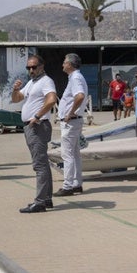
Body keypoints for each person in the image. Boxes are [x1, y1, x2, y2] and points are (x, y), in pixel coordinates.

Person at [11, 54, 57, 213]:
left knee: (39, 165)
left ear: (41, 66)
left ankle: (40, 202)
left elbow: (52, 99)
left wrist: (37, 116)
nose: (31, 70)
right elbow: (17, 99)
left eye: (34, 67)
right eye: (28, 67)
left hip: (37, 126)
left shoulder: (46, 81)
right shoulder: (32, 82)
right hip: (31, 127)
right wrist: (15, 89)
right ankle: (47, 198)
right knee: (42, 163)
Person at [54, 53, 88, 197]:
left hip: (71, 122)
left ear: (70, 64)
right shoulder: (76, 77)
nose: (62, 64)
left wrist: (70, 113)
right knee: (74, 154)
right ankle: (76, 183)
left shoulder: (75, 78)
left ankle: (68, 185)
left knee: (67, 154)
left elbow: (79, 96)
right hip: (74, 121)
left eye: (64, 62)